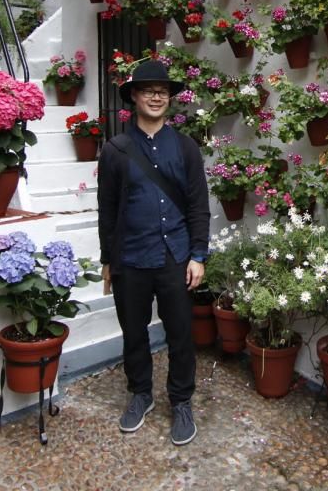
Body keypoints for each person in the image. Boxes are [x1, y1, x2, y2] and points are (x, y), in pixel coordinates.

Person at [98, 59, 210, 446]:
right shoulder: (115, 150)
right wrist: (107, 260)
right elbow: (107, 209)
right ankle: (140, 394)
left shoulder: (185, 147)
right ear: (133, 96)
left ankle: (181, 401)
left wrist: (198, 254)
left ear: (170, 98)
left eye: (162, 90)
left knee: (181, 334)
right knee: (134, 333)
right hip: (130, 256)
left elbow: (198, 204)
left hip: (175, 257)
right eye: (148, 90)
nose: (157, 95)